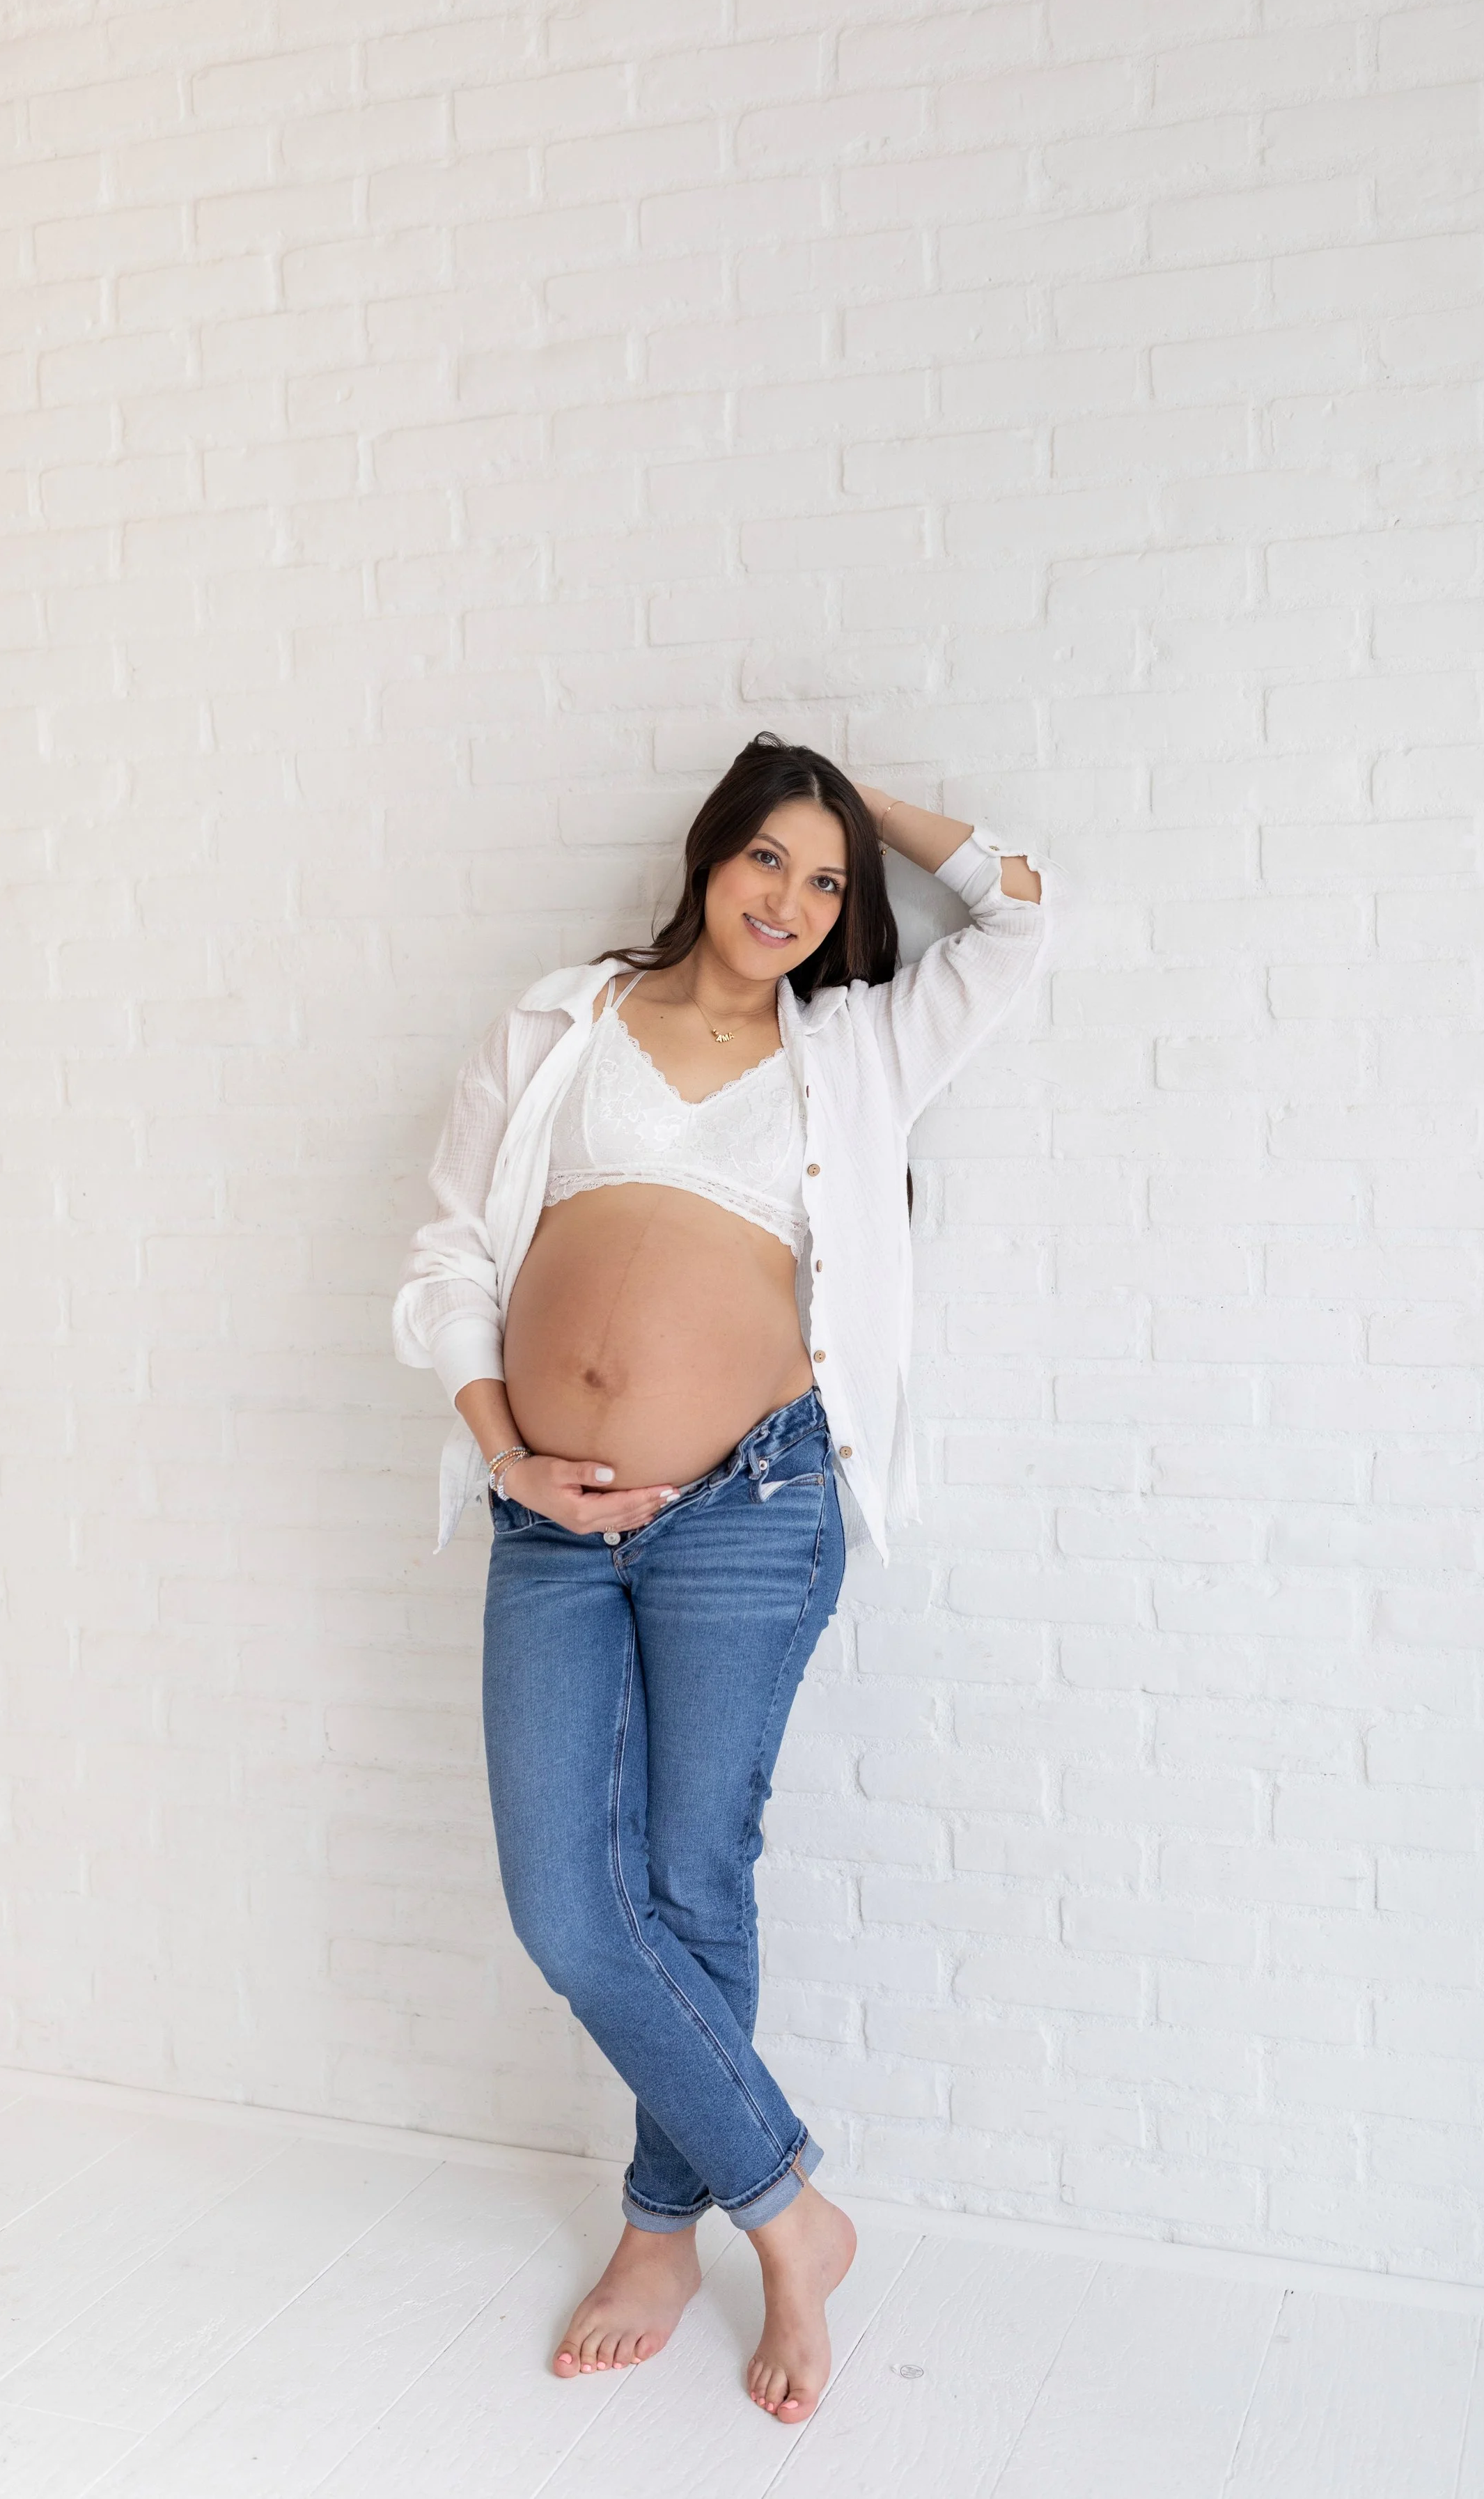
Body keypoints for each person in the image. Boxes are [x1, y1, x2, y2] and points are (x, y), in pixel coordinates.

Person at [393, 735, 1059, 2424]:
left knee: (691, 1887)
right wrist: (500, 1448)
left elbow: (1019, 920)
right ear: (708, 858)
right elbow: (453, 1251)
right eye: (767, 858)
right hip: (548, 1519)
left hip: (750, 1507)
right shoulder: (562, 1026)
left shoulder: (850, 1050)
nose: (790, 900)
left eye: (827, 882)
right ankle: (791, 2212)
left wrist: (863, 802)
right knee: (570, 1908)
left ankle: (656, 2230)